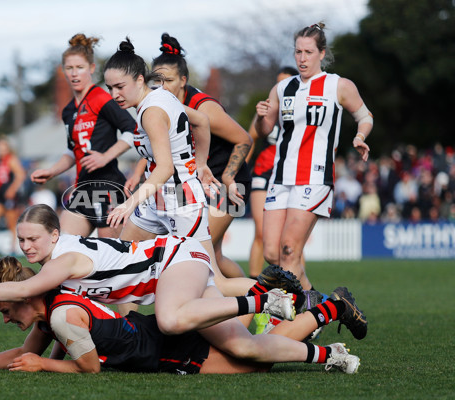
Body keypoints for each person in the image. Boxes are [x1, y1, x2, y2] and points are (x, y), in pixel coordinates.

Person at [0, 204, 367, 366]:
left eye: (32, 238)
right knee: (244, 350)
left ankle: (264, 298)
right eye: (21, 240)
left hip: (175, 258)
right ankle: (325, 313)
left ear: (53, 237)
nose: (26, 246)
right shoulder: (53, 277)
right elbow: (33, 346)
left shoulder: (59, 265)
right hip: (165, 273)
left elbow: (21, 293)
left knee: (172, 320)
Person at [0, 256, 361, 374]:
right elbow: (18, 355)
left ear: (22, 297)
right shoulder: (47, 311)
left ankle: (319, 319)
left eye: (5, 309)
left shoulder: (60, 316)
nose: (4, 317)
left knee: (252, 356)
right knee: (252, 350)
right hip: (159, 336)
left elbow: (89, 367)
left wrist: (46, 364)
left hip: (169, 342)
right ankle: (326, 308)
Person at [103, 37, 256, 298]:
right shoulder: (159, 97)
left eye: (119, 86)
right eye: (109, 87)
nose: (114, 94)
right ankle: (130, 332)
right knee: (123, 266)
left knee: (213, 282)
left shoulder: (151, 111)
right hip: (159, 199)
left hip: (182, 200)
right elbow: (200, 121)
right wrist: (201, 163)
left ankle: (290, 295)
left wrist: (128, 204)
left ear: (140, 80)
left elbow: (164, 168)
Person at [254, 23, 373, 290]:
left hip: (314, 177)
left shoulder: (337, 85)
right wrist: (262, 117)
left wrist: (360, 137)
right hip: (281, 176)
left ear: (321, 53)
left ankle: (296, 320)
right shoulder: (282, 88)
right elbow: (265, 131)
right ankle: (313, 301)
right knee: (272, 253)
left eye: (308, 52)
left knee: (288, 250)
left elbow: (365, 116)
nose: (302, 58)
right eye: (298, 52)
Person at [31, 33, 136, 239]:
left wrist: (105, 156)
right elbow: (73, 149)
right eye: (69, 68)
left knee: (110, 259)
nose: (74, 73)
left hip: (108, 188)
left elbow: (132, 129)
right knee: (62, 249)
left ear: (92, 68)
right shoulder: (68, 110)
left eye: (80, 67)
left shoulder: (100, 98)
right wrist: (52, 171)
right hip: (82, 189)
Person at [247, 67, 300, 279]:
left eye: (286, 82)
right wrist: (239, 169)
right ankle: (252, 287)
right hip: (264, 172)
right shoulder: (268, 107)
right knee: (261, 232)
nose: (281, 87)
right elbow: (250, 138)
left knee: (291, 239)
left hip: (292, 175)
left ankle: (296, 285)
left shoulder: (304, 108)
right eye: (278, 83)